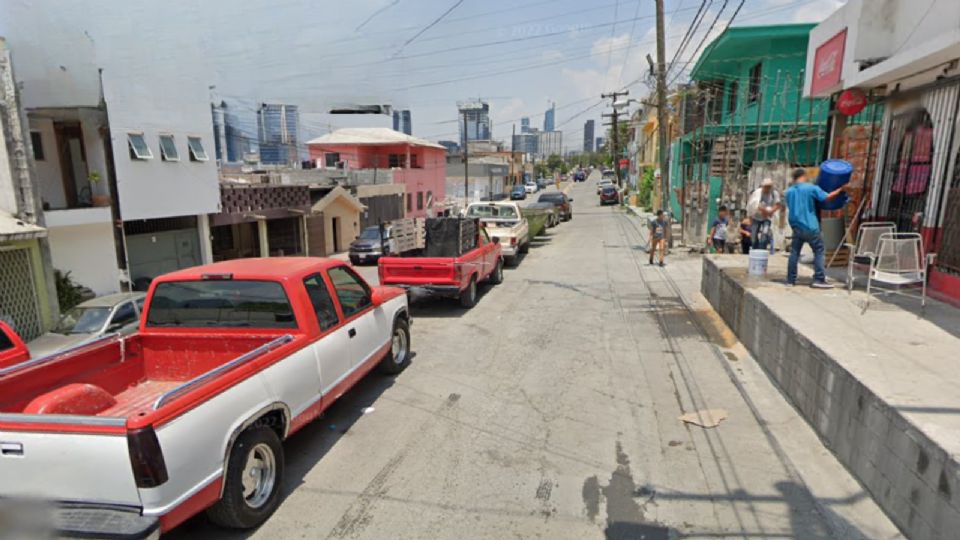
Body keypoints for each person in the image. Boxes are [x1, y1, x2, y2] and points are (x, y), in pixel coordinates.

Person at [784, 168, 846, 288]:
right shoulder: (811, 188)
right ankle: (819, 279)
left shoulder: (789, 191)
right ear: (803, 176)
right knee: (819, 251)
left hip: (796, 226)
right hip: (810, 226)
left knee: (794, 253)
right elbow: (827, 197)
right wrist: (840, 190)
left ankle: (790, 280)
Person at [748, 178, 782, 250]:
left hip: (767, 218)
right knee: (753, 236)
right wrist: (765, 211)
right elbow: (754, 205)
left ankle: (761, 249)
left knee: (765, 233)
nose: (767, 188)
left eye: (769, 186)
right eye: (766, 186)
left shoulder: (774, 193)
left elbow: (778, 204)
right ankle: (755, 249)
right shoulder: (757, 193)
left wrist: (771, 211)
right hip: (756, 216)